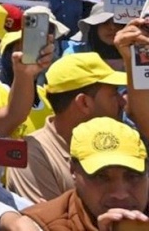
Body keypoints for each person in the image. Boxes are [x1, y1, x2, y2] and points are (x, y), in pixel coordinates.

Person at [7, 53, 127, 203]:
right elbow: (46, 222)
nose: (123, 102)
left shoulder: (121, 142)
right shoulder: (32, 156)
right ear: (84, 103)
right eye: (114, 94)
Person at [17, 117, 149, 230]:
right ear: (73, 171)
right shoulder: (42, 225)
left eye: (133, 176)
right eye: (101, 177)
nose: (120, 194)